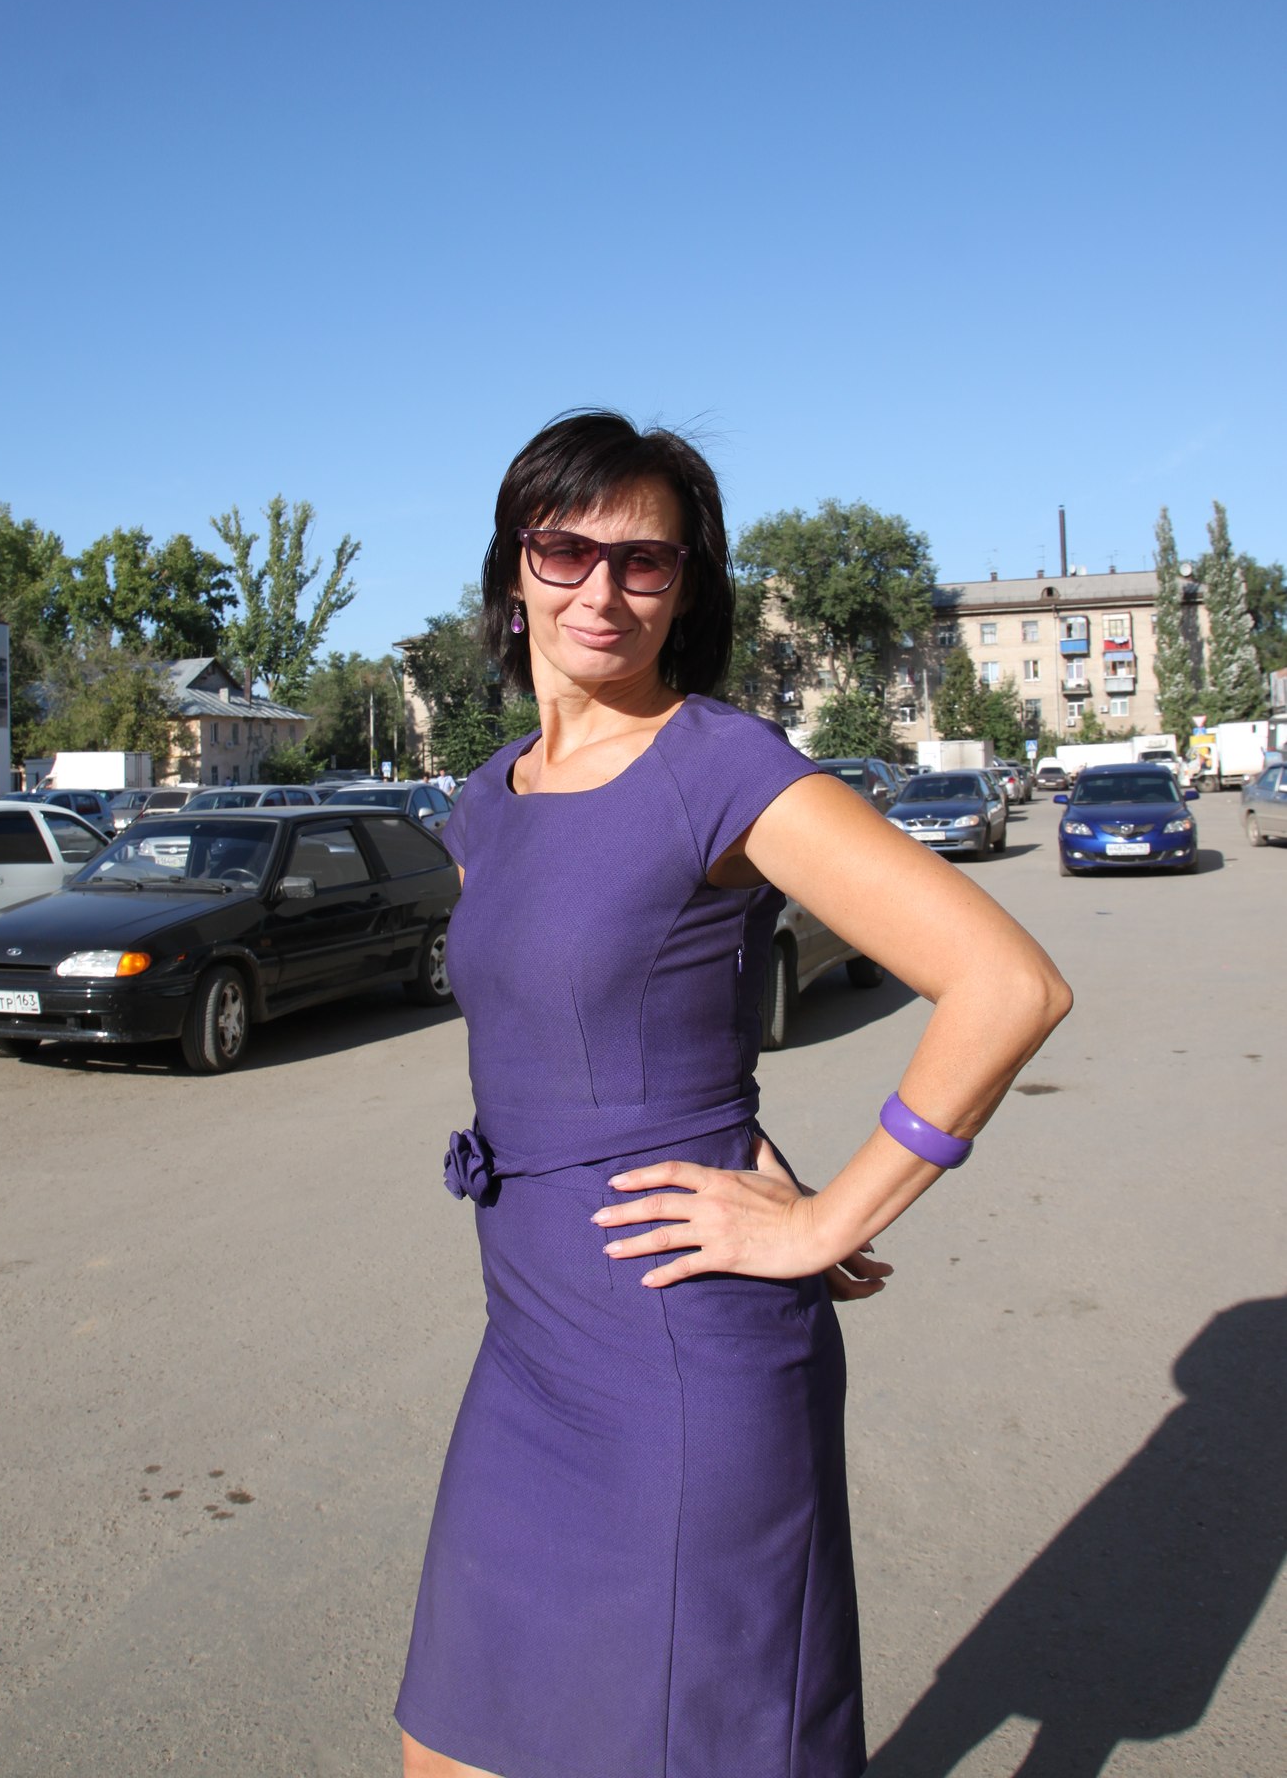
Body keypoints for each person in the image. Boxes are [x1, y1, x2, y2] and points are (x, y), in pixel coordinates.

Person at [396, 411, 1072, 1778]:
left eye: (644, 560)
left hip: (677, 1360)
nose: (602, 588)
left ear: (686, 588)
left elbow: (1007, 985)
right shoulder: (486, 802)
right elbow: (608, 1021)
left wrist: (827, 1219)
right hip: (527, 1345)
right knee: (452, 1742)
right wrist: (733, 1130)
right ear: (514, 565)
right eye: (566, 548)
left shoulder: (720, 766)